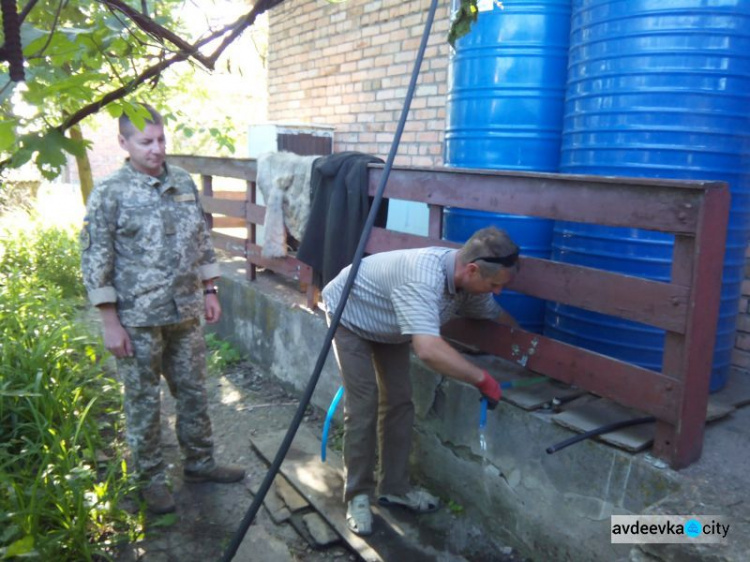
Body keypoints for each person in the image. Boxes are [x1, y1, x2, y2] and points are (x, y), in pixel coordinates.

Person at [80, 103, 245, 514]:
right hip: (137, 320)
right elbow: (95, 258)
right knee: (143, 401)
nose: (156, 149)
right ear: (124, 143)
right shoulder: (110, 192)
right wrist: (108, 321)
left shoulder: (183, 183)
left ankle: (200, 464)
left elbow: (201, 240)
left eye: (161, 140)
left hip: (185, 311)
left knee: (193, 393)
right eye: (145, 141)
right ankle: (151, 479)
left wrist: (210, 289)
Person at [321, 226, 520, 536]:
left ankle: (394, 488)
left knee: (400, 401)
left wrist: (529, 352)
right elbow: (427, 349)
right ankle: (358, 494)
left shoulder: (469, 286)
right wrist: (482, 379)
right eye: (495, 284)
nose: (498, 291)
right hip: (350, 315)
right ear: (472, 270)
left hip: (390, 323)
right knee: (364, 405)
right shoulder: (422, 278)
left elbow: (498, 317)